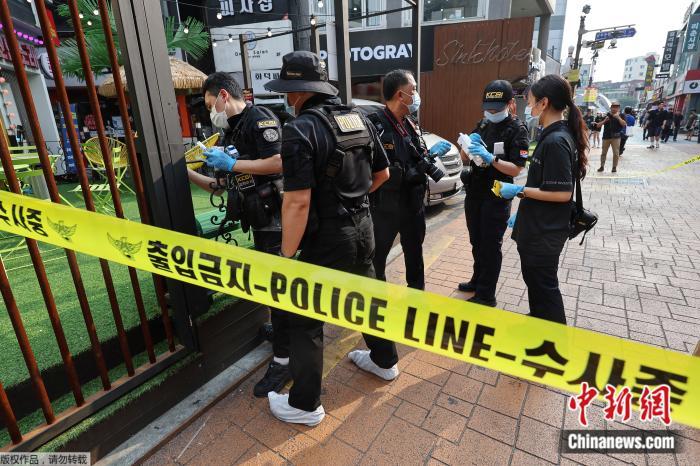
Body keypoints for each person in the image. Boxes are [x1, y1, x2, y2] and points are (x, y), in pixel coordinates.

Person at [263, 51, 396, 426]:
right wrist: (352, 203)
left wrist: (287, 255)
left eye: (288, 90)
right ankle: (385, 361)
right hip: (364, 228)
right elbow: (383, 175)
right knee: (368, 299)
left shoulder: (300, 129)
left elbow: (297, 202)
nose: (287, 97)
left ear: (298, 92)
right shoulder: (359, 118)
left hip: (327, 238)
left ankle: (305, 405)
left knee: (306, 318)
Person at [187, 72, 292, 398]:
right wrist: (186, 173)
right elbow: (222, 185)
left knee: (279, 289)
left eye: (210, 105)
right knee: (274, 288)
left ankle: (285, 360)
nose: (210, 113)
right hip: (259, 220)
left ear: (223, 95)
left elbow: (278, 162)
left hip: (276, 219)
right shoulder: (233, 130)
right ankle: (284, 334)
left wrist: (232, 165)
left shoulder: (259, 118)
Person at [498, 74, 589, 324]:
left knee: (545, 289)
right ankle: (538, 324)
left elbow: (562, 193)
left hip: (544, 232)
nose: (529, 106)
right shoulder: (554, 135)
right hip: (539, 226)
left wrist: (520, 190)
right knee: (536, 285)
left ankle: (554, 338)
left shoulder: (556, 140)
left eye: (530, 101)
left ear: (544, 103)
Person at [367, 70, 451, 291]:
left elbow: (416, 154)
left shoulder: (410, 122)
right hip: (385, 208)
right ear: (400, 95)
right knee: (377, 259)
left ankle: (416, 299)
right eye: (413, 90)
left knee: (415, 255)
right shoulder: (374, 125)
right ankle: (378, 301)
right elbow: (369, 169)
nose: (416, 95)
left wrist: (429, 156)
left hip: (413, 205)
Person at [456, 80, 529, 307]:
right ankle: (477, 280)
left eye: (497, 109)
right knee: (476, 241)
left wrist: (492, 159)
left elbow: (517, 168)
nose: (492, 112)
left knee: (490, 246)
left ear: (510, 103)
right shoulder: (483, 124)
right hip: (475, 192)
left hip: (496, 196)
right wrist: (467, 146)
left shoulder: (517, 129)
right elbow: (465, 157)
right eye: (488, 108)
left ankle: (487, 294)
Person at [595, 101, 626, 173]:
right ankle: (602, 166)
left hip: (616, 137)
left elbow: (624, 124)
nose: (614, 109)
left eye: (616, 107)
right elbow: (598, 125)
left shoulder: (621, 115)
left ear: (619, 108)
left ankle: (614, 167)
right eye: (613, 107)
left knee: (616, 153)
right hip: (606, 137)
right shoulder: (606, 115)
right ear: (610, 108)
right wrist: (604, 120)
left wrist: (618, 118)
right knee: (603, 153)